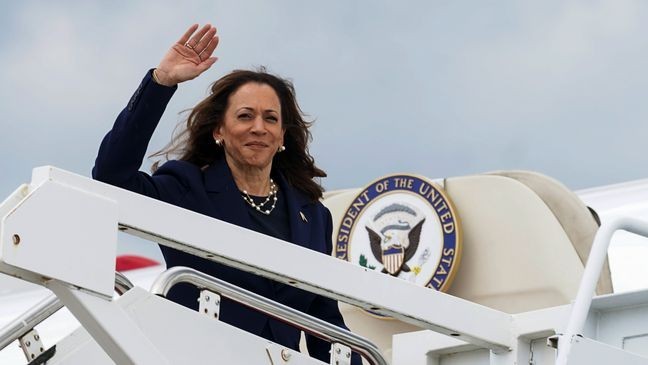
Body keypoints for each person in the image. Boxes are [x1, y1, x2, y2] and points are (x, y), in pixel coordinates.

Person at [93, 24, 361, 364]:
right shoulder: (187, 188)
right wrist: (161, 83)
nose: (258, 128)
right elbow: (111, 176)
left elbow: (325, 322)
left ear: (282, 136)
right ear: (219, 130)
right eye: (245, 116)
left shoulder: (313, 215)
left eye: (270, 119)